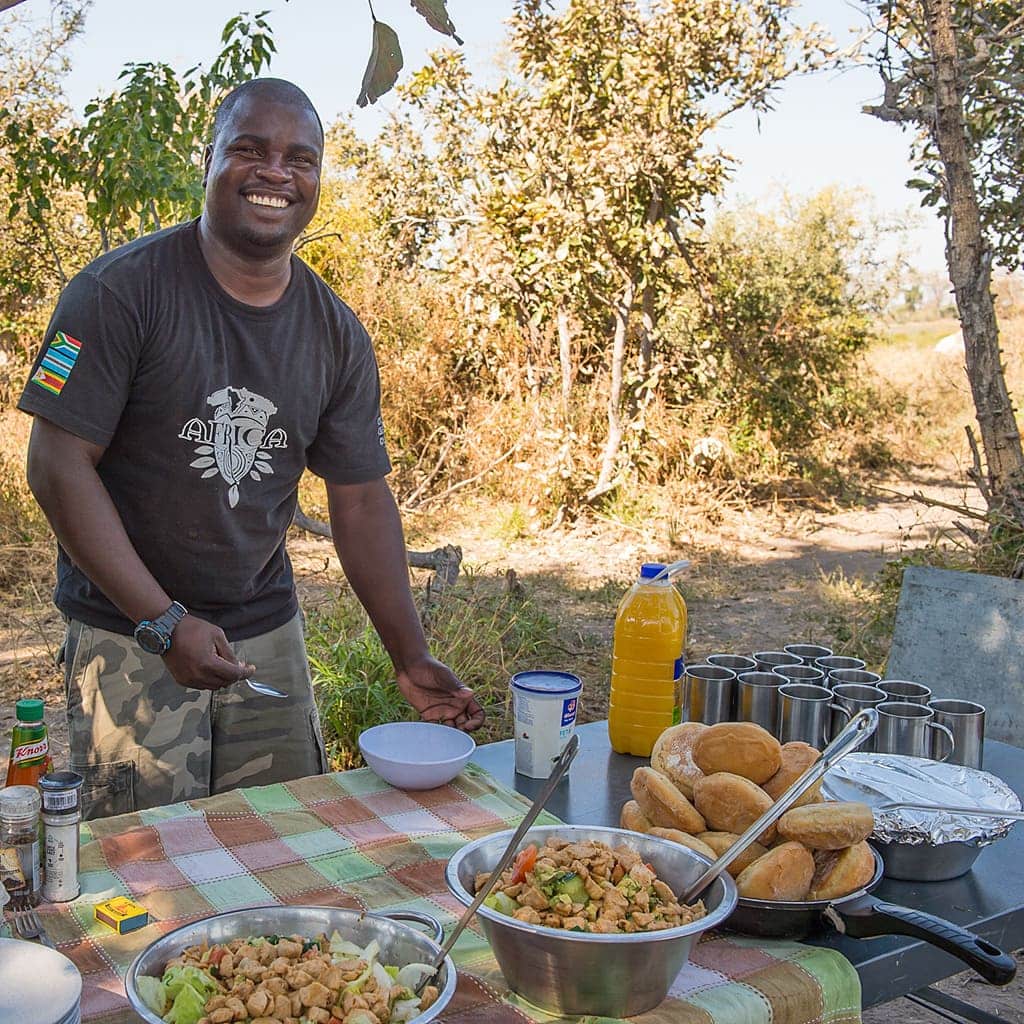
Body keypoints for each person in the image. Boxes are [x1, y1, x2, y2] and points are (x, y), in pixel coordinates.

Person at [18, 78, 483, 820]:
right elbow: (55, 464)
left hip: (264, 630)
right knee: (150, 866)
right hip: (131, 637)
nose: (277, 173)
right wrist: (163, 622)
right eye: (249, 149)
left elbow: (360, 500)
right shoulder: (117, 293)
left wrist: (409, 654)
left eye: (301, 159)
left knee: (287, 844)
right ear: (208, 160)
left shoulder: (335, 333)